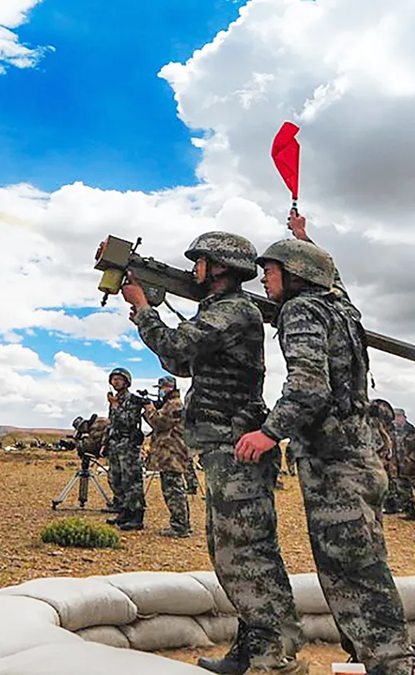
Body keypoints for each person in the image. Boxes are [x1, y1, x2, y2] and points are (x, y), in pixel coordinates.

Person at [120, 231, 306, 675]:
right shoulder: (219, 312)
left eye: (201, 260)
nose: (195, 268)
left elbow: (178, 346)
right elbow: (182, 363)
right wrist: (146, 318)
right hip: (223, 449)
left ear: (219, 266)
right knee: (230, 554)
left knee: (248, 553)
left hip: (236, 446)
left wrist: (146, 310)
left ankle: (276, 657)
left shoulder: (235, 310)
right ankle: (252, 649)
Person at [236, 238, 415, 675]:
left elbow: (308, 387)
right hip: (361, 454)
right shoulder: (344, 310)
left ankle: (392, 666)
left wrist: (268, 433)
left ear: (297, 274)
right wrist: (303, 235)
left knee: (352, 569)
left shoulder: (303, 311)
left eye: (273, 268)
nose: (264, 276)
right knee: (364, 562)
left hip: (334, 463)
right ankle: (378, 659)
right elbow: (334, 278)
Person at [143, 375, 192, 537]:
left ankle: (179, 527)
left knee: (173, 490)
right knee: (175, 489)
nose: (160, 392)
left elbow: (159, 423)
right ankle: (182, 524)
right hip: (169, 453)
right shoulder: (170, 404)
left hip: (172, 454)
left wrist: (149, 408)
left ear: (169, 388)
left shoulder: (174, 405)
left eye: (162, 389)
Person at [103, 367, 146, 531]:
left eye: (119, 379)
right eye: (113, 379)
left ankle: (136, 516)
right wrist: (105, 443)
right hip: (115, 444)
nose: (116, 382)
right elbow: (111, 424)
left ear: (126, 382)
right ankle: (124, 511)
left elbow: (128, 421)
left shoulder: (133, 400)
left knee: (131, 481)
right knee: (116, 479)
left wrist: (115, 406)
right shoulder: (115, 399)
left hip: (128, 445)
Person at [369, 399, 404, 515]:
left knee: (394, 484)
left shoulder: (394, 430)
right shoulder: (374, 427)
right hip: (383, 461)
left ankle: (395, 505)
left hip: (394, 462)